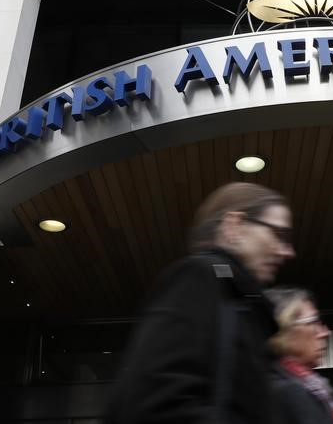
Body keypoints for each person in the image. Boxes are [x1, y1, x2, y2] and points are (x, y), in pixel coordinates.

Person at [107, 182, 296, 424]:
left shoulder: (241, 303)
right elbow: (156, 400)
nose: (288, 251)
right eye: (279, 234)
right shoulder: (199, 277)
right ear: (234, 225)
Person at [266, 287, 333, 424]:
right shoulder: (287, 392)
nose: (325, 333)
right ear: (284, 330)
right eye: (313, 322)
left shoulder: (306, 386)